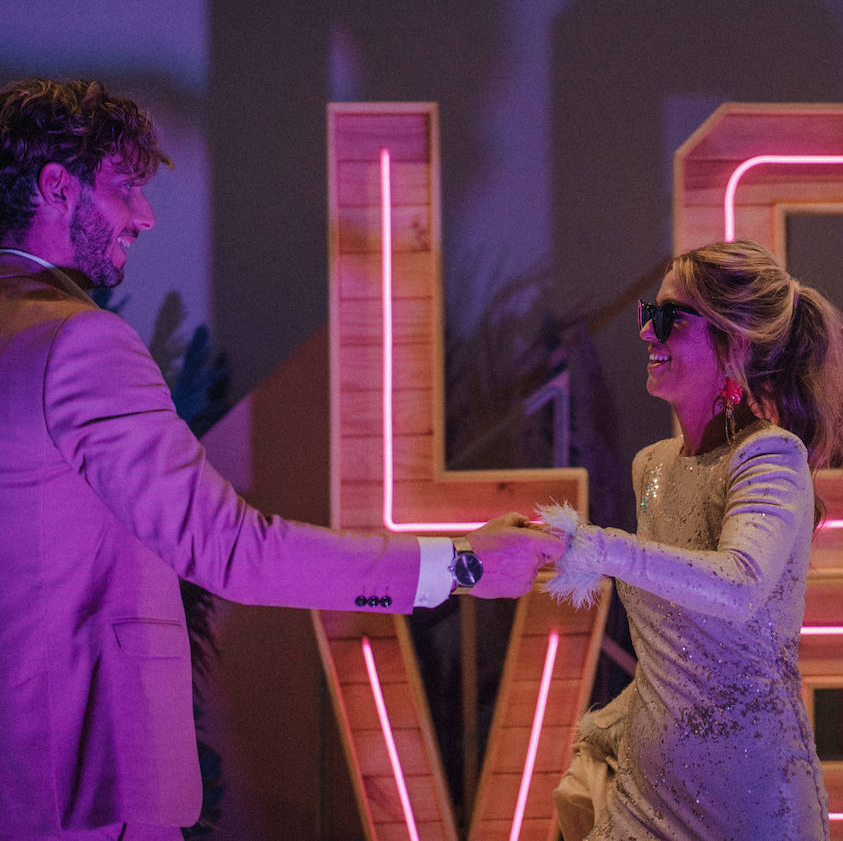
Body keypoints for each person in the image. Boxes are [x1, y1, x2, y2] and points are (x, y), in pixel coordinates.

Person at [0, 77, 564, 839]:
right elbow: (229, 548)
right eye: (125, 188)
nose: (145, 215)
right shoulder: (79, 344)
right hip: (78, 793)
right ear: (58, 187)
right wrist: (460, 564)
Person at [539, 240, 843, 841]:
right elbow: (677, 650)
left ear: (733, 342)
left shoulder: (770, 457)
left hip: (749, 807)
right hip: (645, 797)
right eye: (646, 314)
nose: (647, 335)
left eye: (668, 318)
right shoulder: (651, 467)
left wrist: (598, 548)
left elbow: (737, 586)